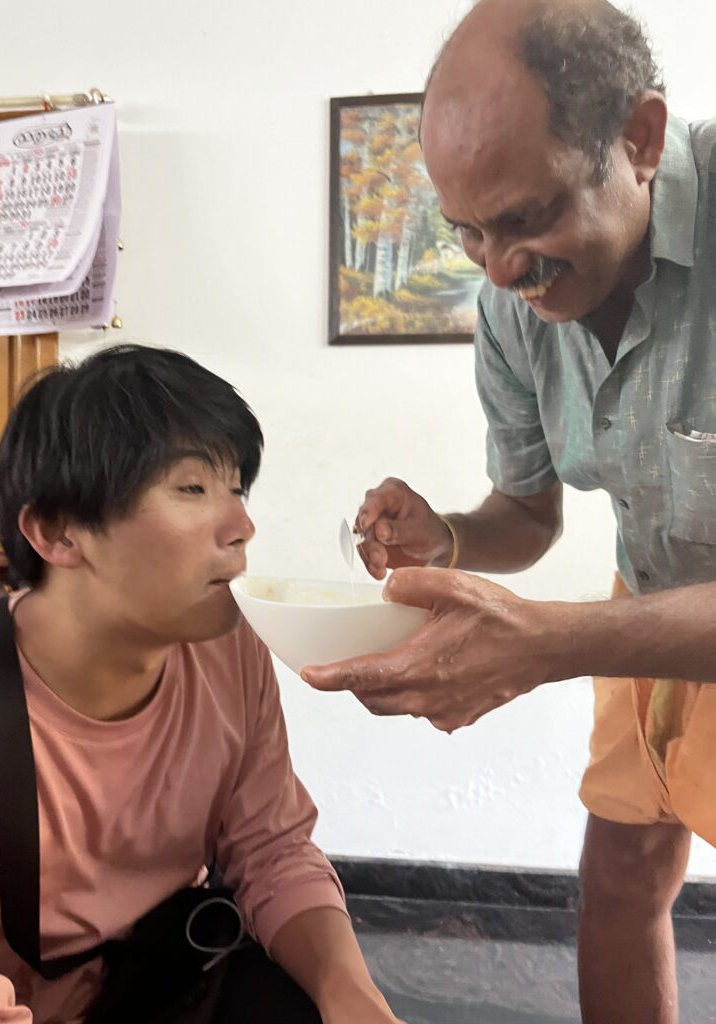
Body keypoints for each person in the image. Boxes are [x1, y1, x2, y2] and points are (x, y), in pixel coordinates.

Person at [301, 1, 716, 1021]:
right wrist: (447, 537)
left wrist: (551, 645)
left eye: (527, 218)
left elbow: (557, 632)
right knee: (620, 877)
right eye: (466, 231)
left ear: (641, 139)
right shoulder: (511, 308)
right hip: (650, 595)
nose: (496, 267)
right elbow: (526, 518)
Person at [0, 344, 401, 1024]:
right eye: (191, 489)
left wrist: (351, 996)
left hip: (161, 976)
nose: (242, 527)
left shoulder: (229, 649)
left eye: (236, 489)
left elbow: (270, 850)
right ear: (57, 532)